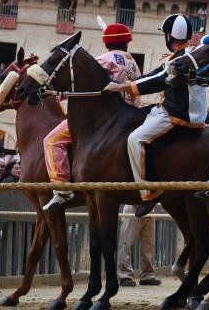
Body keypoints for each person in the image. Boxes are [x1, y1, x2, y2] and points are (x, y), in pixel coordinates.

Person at [104, 14, 208, 217]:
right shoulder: (179, 55)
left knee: (135, 139)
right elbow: (153, 75)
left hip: (178, 114)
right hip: (169, 108)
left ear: (169, 36)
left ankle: (148, 193)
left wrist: (123, 87)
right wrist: (127, 85)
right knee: (133, 118)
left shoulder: (184, 58)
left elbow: (159, 80)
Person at [43, 20, 142, 210]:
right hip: (132, 114)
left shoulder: (102, 60)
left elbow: (84, 85)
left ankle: (61, 188)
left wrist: (59, 95)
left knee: (51, 140)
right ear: (126, 42)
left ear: (106, 42)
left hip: (102, 118)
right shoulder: (132, 62)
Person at [116, 205, 160, 287]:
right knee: (126, 242)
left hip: (149, 208)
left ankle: (147, 275)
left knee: (149, 244)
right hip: (133, 207)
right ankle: (124, 276)